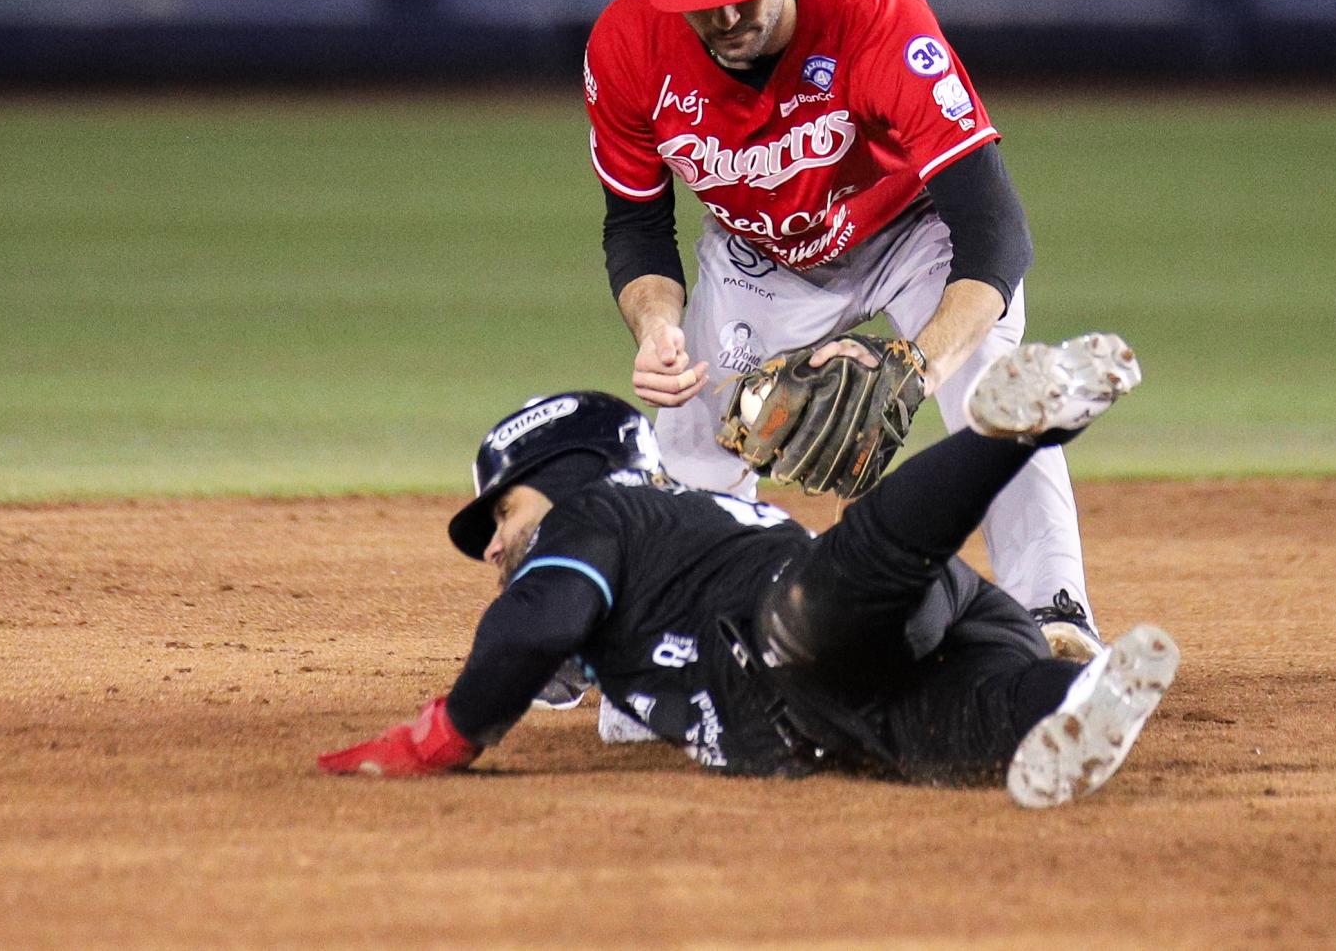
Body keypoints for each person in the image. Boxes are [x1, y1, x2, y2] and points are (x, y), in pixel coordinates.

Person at [584, 0, 1102, 658]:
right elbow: (637, 223)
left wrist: (915, 365)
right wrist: (656, 326)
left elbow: (996, 231)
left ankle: (1055, 610)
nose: (725, 14)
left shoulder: (874, 11)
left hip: (912, 232)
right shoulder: (627, 47)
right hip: (760, 254)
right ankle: (685, 633)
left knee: (999, 389)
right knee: (689, 429)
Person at [318, 332, 1178, 808]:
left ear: (569, 476)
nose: (497, 548)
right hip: (889, 660)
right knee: (947, 733)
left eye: (503, 515)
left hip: (812, 626)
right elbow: (556, 657)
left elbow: (534, 627)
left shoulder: (595, 515)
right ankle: (1077, 696)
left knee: (843, 585)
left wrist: (442, 733)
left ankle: (1005, 435)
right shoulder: (661, 540)